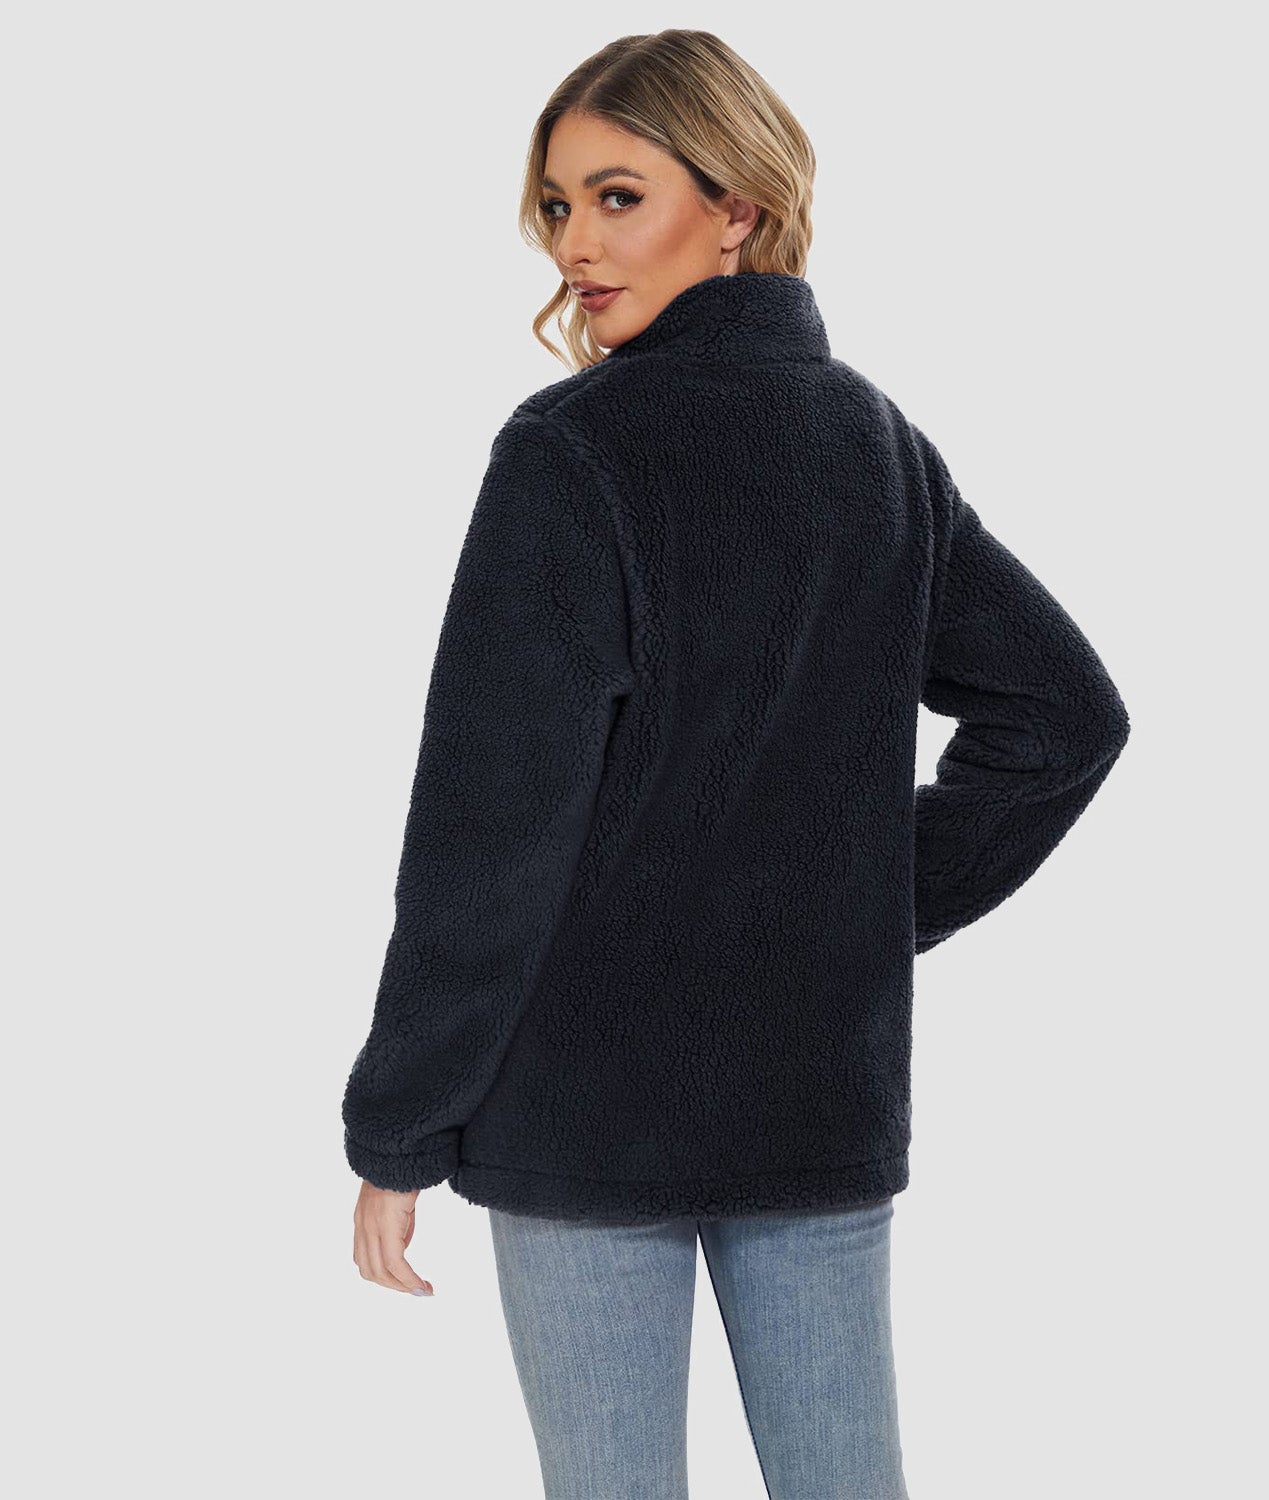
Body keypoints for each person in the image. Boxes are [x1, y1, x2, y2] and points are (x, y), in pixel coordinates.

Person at [342, 28, 1130, 1500]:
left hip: (580, 1107)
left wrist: (398, 1120)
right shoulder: (872, 444)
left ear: (738, 208)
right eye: (558, 204)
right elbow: (1064, 720)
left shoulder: (571, 453)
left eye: (618, 196)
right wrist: (843, 909)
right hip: (811, 1094)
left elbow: (488, 830)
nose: (575, 244)